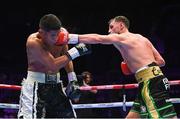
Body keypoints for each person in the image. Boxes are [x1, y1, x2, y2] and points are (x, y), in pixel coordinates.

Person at [56, 16, 177, 118]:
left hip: (150, 82)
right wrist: (137, 65)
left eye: (112, 27)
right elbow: (161, 61)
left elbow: (98, 38)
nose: (109, 31)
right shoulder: (142, 38)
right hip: (153, 79)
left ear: (121, 25)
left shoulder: (122, 37)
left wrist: (69, 37)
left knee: (166, 116)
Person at [17, 14, 91, 119]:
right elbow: (52, 65)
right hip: (36, 86)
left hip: (56, 86)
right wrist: (77, 51)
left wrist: (72, 79)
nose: (56, 38)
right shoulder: (33, 42)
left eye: (58, 34)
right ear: (41, 33)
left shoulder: (61, 36)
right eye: (53, 35)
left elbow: (66, 57)